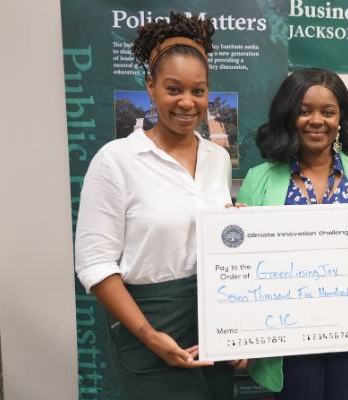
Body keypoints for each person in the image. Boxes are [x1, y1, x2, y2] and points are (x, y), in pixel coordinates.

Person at [75, 12, 236, 400]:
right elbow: (95, 265)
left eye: (198, 90)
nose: (187, 102)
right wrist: (149, 335)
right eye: (173, 88)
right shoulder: (116, 160)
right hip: (148, 323)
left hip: (213, 319)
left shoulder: (217, 158)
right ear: (150, 87)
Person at [236, 68, 348, 400]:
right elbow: (242, 269)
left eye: (328, 112)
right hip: (287, 336)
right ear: (288, 114)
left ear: (341, 119)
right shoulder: (258, 179)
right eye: (304, 110)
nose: (316, 120)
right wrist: (239, 333)